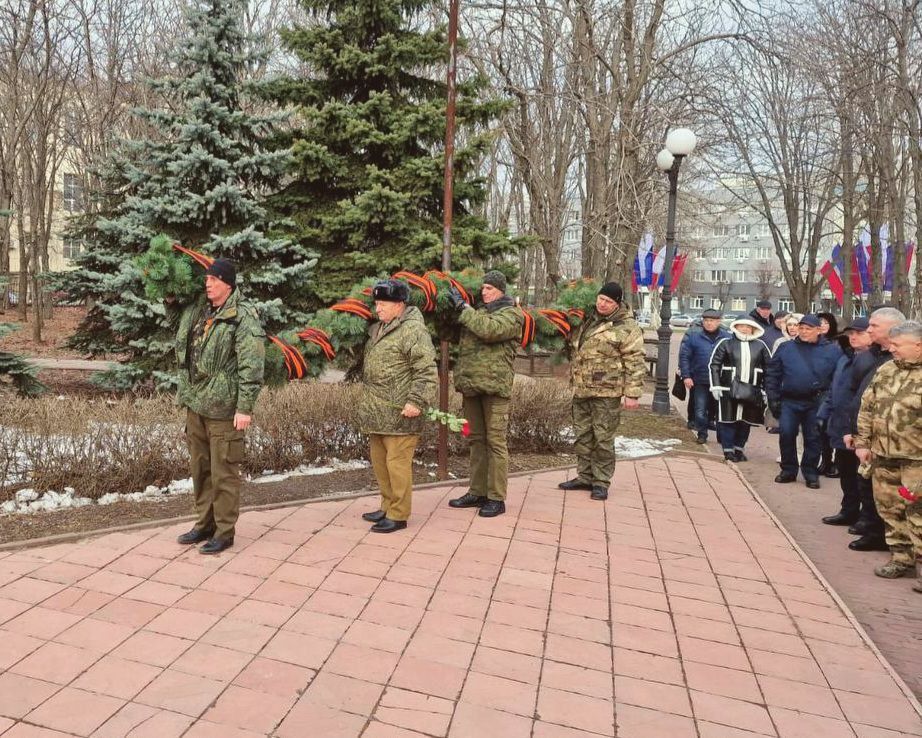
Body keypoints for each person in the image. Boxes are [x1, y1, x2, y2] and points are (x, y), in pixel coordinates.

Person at [174, 258, 265, 554]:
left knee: (224, 471)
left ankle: (224, 531)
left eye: (213, 279)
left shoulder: (242, 317)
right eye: (207, 279)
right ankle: (204, 524)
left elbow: (251, 366)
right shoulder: (200, 311)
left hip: (225, 408)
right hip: (197, 403)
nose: (207, 284)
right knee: (200, 469)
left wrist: (245, 408)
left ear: (227, 283)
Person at [356, 280, 437, 533]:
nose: (377, 309)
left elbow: (426, 370)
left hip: (401, 411)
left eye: (382, 304)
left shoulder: (413, 331)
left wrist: (416, 401)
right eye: (376, 303)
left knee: (397, 464)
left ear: (399, 305)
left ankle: (399, 514)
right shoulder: (380, 328)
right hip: (379, 412)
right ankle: (387, 505)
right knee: (380, 463)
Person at [446, 271, 524, 517]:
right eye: (483, 288)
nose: (484, 291)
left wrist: (463, 308)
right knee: (476, 440)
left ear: (501, 290)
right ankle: (477, 491)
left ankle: (496, 498)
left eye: (489, 288)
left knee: (495, 442)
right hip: (472, 388)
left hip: (495, 389)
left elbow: (489, 330)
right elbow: (456, 334)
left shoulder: (511, 314)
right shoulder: (476, 312)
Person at [558, 282, 645, 500]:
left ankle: (601, 481)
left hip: (607, 392)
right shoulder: (585, 319)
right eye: (600, 299)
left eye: (608, 301)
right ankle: (584, 476)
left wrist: (632, 393)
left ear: (617, 303)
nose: (602, 304)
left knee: (603, 438)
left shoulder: (626, 326)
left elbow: (635, 360)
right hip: (582, 388)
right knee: (582, 435)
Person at [854, 320, 922, 581]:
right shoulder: (887, 370)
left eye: (898, 344)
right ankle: (901, 559)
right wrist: (863, 442)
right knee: (890, 510)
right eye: (891, 343)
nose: (891, 348)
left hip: (916, 460)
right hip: (883, 456)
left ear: (918, 345)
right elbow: (867, 406)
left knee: (917, 513)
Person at [845, 307, 906, 551]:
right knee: (868, 485)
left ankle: (891, 541)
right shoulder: (872, 357)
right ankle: (873, 531)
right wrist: (856, 433)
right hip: (872, 437)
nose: (868, 331)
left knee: (894, 496)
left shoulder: (901, 362)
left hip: (899, 444)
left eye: (874, 327)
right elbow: (862, 397)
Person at [764, 314, 842, 489]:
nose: (804, 332)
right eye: (802, 328)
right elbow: (772, 374)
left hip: (816, 401)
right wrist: (773, 399)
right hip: (790, 400)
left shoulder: (832, 350)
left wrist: (829, 401)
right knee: (786, 434)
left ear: (818, 330)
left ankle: (810, 472)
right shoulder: (786, 348)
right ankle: (788, 470)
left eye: (809, 329)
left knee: (813, 438)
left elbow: (837, 378)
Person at [818, 318, 872, 527]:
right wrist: (823, 413)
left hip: (861, 427)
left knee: (863, 475)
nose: (853, 337)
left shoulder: (875, 361)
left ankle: (866, 517)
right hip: (841, 424)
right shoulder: (844, 358)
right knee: (846, 470)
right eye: (851, 334)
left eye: (859, 333)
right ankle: (848, 510)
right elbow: (835, 389)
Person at [708, 317, 771, 462]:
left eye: (748, 327)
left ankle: (739, 449)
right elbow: (714, 365)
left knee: (745, 422)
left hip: (752, 390)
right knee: (727, 421)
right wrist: (716, 385)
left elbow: (770, 368)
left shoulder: (760, 346)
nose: (744, 329)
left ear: (753, 329)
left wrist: (767, 390)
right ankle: (728, 450)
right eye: (741, 326)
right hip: (727, 389)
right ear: (735, 327)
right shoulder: (726, 343)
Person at [679, 309, 729, 444]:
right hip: (700, 379)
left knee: (719, 411)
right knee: (700, 410)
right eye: (706, 320)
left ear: (719, 322)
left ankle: (721, 435)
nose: (709, 323)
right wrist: (686, 376)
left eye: (712, 321)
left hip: (720, 381)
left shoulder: (727, 338)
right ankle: (702, 433)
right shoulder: (695, 337)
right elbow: (685, 357)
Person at [816, 312, 841, 478]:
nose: (823, 325)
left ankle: (837, 464)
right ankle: (825, 460)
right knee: (820, 429)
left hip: (835, 390)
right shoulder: (813, 343)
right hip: (818, 391)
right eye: (820, 323)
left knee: (834, 428)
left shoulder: (839, 342)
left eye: (826, 322)